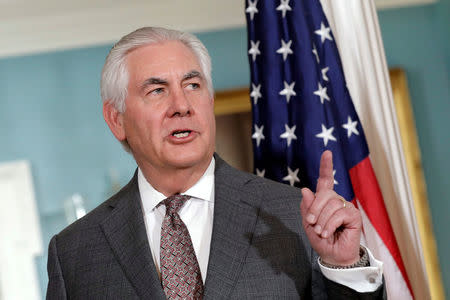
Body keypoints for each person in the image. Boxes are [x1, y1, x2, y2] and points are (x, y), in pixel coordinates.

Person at [46, 27, 385, 299]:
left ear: (209, 101)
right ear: (116, 119)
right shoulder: (74, 252)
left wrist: (344, 267)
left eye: (193, 85)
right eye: (157, 91)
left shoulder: (294, 216)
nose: (182, 105)